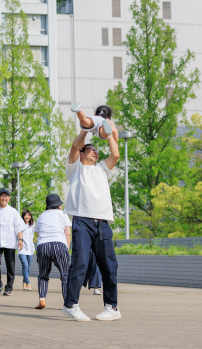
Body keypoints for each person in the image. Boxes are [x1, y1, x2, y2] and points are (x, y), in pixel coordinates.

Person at [62, 128, 122, 322]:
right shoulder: (75, 168)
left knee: (109, 266)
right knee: (80, 263)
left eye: (96, 150)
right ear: (82, 152)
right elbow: (73, 146)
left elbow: (116, 154)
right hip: (82, 221)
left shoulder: (102, 170)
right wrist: (86, 129)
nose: (95, 151)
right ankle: (71, 305)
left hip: (102, 223)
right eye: (90, 149)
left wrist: (111, 133)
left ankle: (112, 307)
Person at [33, 193, 71, 310]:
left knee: (43, 275)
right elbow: (68, 233)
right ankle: (67, 303)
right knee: (65, 275)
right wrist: (66, 248)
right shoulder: (63, 214)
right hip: (59, 244)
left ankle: (42, 299)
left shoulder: (42, 215)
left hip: (42, 245)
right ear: (59, 205)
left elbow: (38, 233)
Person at [19, 210, 36, 291]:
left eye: (29, 215)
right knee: (25, 265)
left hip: (30, 248)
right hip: (22, 248)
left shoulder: (32, 225)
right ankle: (28, 283)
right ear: (23, 216)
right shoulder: (20, 224)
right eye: (26, 215)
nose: (28, 217)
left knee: (28, 267)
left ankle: (24, 282)